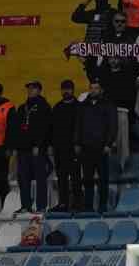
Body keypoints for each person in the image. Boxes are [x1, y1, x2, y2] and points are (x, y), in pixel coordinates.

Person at [6, 81, 50, 212]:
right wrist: (15, 147)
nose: (30, 90)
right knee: (23, 178)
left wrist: (38, 144)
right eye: (29, 88)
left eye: (33, 88)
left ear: (39, 90)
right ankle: (26, 205)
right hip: (22, 149)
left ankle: (41, 206)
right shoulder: (22, 108)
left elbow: (45, 128)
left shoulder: (44, 107)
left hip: (37, 149)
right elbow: (16, 129)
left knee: (40, 178)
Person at [75, 79, 118, 212]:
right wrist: (77, 142)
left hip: (101, 148)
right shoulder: (83, 106)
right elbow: (78, 125)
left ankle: (102, 205)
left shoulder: (108, 105)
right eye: (91, 88)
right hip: (86, 147)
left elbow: (113, 126)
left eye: (96, 88)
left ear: (101, 90)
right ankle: (88, 206)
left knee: (103, 179)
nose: (93, 90)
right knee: (87, 179)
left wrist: (108, 144)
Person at [50, 80, 81, 211]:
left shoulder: (79, 107)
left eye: (68, 89)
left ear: (73, 90)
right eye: (63, 89)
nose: (66, 91)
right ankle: (63, 203)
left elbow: (81, 127)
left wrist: (78, 143)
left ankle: (78, 203)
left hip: (74, 148)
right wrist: (52, 145)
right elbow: (51, 128)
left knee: (75, 177)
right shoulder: (57, 107)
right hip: (59, 148)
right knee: (61, 177)